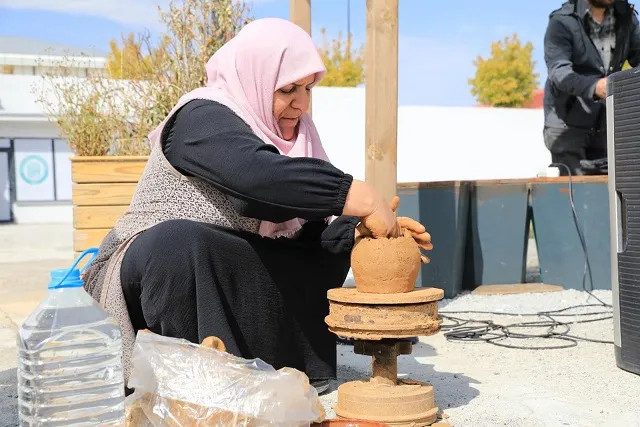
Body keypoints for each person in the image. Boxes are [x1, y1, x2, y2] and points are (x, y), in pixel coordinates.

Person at [82, 18, 432, 394]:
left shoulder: (300, 140)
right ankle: (191, 382)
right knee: (177, 243)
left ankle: (272, 368)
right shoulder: (200, 117)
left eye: (308, 88)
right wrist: (359, 197)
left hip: (220, 265)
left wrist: (362, 230)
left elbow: (311, 231)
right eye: (287, 88)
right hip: (148, 274)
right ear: (253, 78)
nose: (302, 102)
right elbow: (257, 180)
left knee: (321, 252)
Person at [543, 0, 640, 175]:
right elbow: (559, 72)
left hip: (605, 123)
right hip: (566, 126)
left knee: (608, 193)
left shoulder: (627, 18)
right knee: (575, 194)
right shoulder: (562, 21)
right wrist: (595, 86)